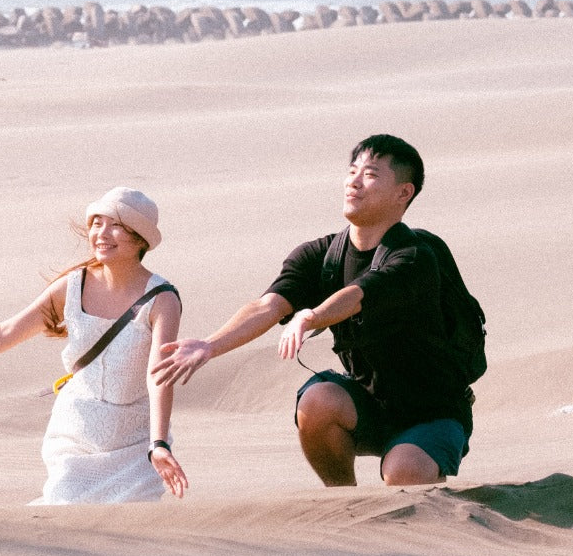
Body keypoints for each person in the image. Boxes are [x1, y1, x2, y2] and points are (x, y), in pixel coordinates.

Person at [151, 135, 474, 486]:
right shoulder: (321, 256)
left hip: (433, 413)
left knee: (404, 473)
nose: (353, 181)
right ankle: (345, 503)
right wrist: (210, 345)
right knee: (317, 400)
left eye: (371, 174)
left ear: (403, 192)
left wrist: (313, 316)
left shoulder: (414, 256)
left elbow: (360, 294)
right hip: (368, 403)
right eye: (351, 171)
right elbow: (268, 306)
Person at [0, 187, 189, 503]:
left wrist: (158, 444)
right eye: (97, 223)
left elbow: (158, 375)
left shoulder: (162, 299)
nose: (102, 233)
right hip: (76, 435)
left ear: (140, 238)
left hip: (134, 443)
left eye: (116, 225)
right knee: (65, 507)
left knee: (128, 527)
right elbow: (6, 332)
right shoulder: (73, 287)